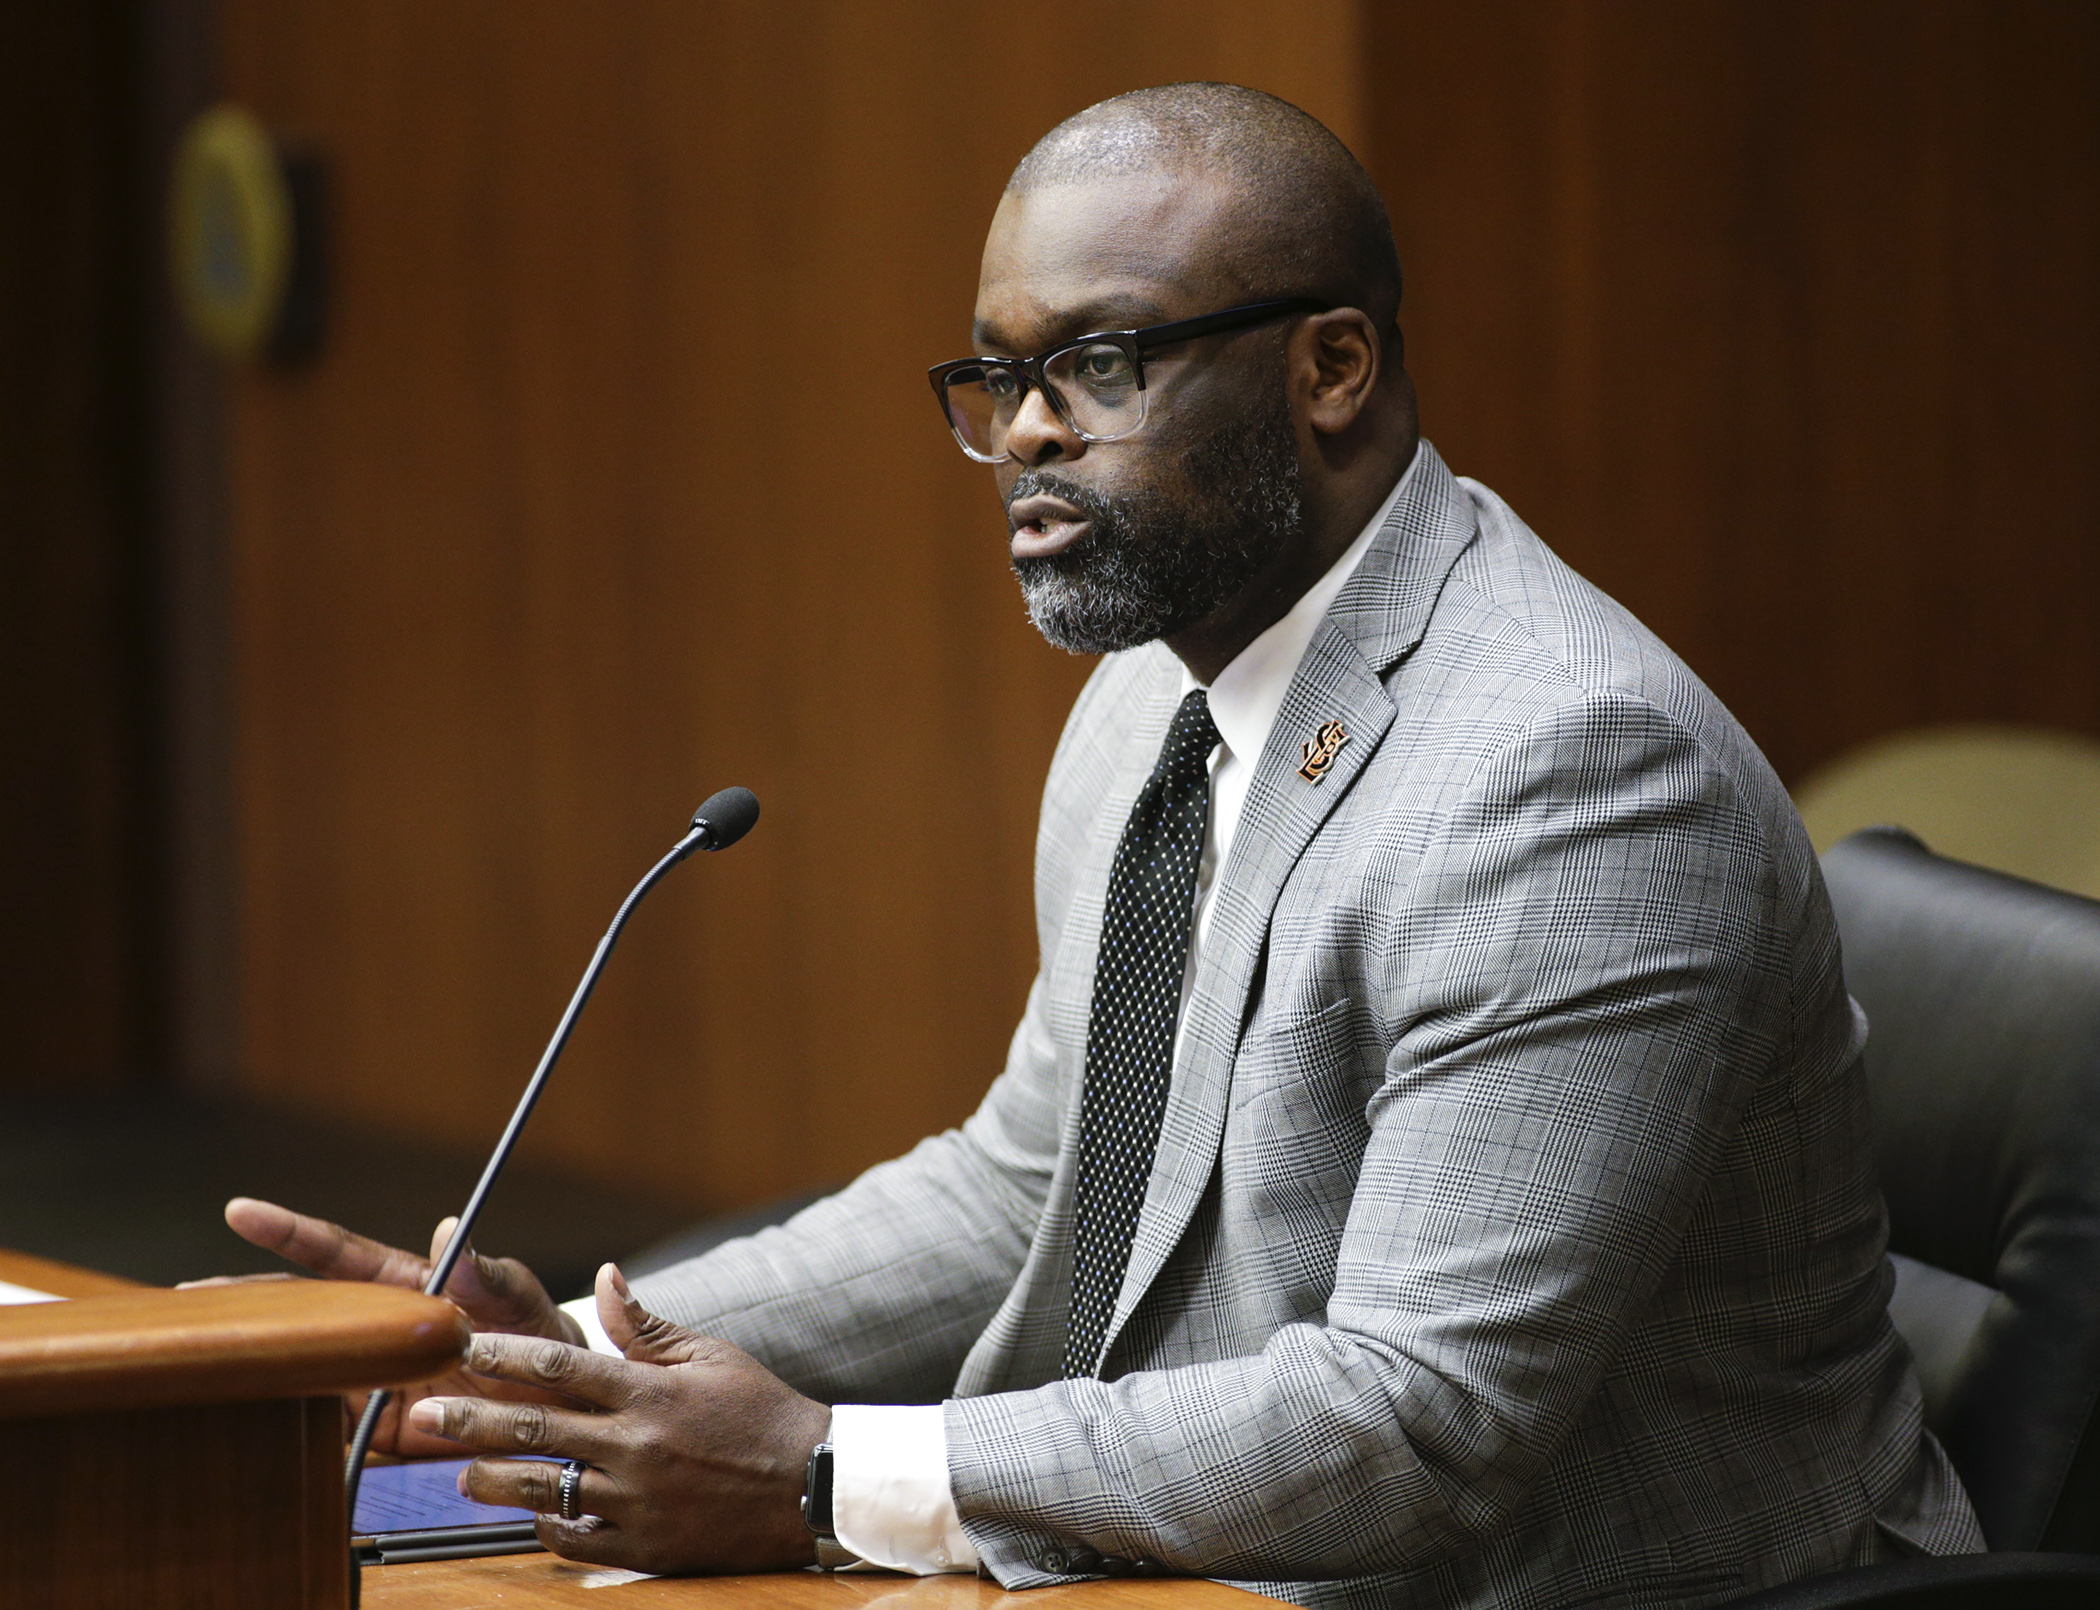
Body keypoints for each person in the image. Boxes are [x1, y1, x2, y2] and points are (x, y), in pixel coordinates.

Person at [220, 84, 1984, 1608]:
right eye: (1000, 376)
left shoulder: (1567, 770)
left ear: (1333, 368)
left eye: (1104, 362)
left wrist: (830, 1474)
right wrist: (577, 1362)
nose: (1031, 433)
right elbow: (1032, 1182)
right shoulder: (1159, 683)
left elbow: (1419, 1421)